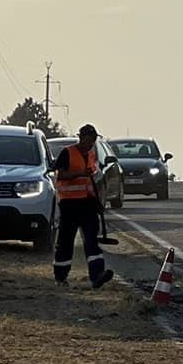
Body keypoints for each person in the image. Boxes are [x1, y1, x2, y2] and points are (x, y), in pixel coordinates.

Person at [51, 124, 115, 289]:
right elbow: (61, 174)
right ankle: (60, 276)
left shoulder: (92, 155)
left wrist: (98, 203)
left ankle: (97, 275)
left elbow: (92, 180)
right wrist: (79, 174)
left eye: (94, 140)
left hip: (87, 203)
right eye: (89, 139)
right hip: (69, 204)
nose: (91, 143)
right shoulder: (68, 153)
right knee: (66, 241)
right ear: (81, 137)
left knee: (92, 240)